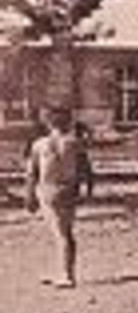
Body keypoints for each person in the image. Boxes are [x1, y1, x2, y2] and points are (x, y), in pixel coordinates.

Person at [24, 108, 93, 289]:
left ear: (48, 123)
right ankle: (63, 270)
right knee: (65, 232)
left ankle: (66, 275)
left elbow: (32, 174)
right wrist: (88, 191)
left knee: (61, 234)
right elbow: (87, 170)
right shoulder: (75, 144)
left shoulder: (39, 144)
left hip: (48, 190)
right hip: (69, 189)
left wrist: (29, 195)